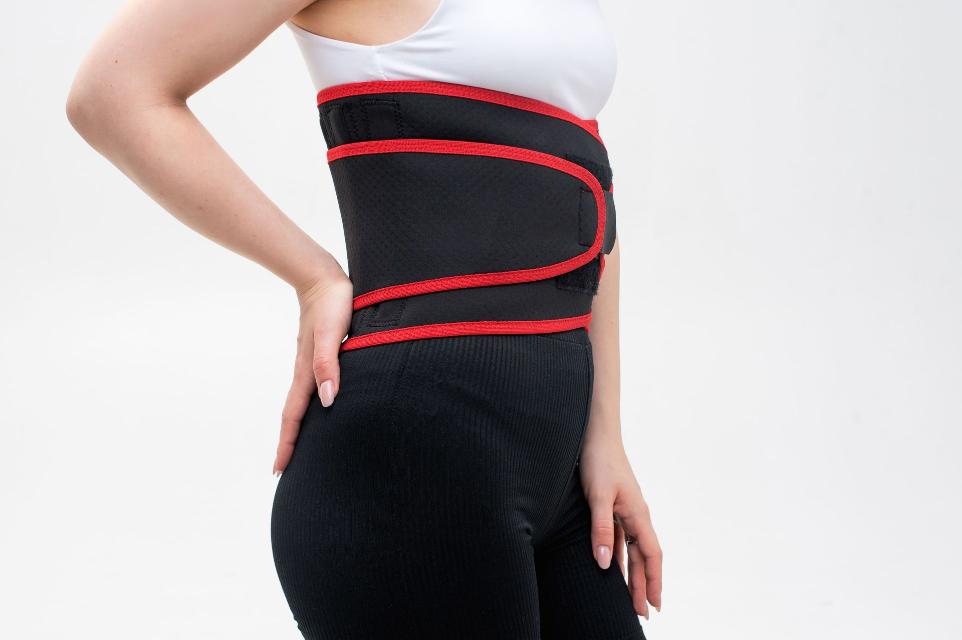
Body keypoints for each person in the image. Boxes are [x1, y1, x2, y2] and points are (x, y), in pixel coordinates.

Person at [66, 1, 663, 637]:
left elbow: (587, 179)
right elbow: (113, 92)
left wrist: (604, 434)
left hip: (560, 467)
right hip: (408, 466)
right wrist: (312, 276)